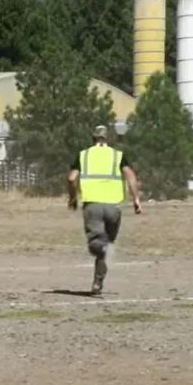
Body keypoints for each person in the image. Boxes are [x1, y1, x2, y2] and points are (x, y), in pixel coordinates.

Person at [66, 125, 142, 295]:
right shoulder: (118, 155)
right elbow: (130, 176)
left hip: (92, 205)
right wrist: (136, 198)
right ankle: (97, 283)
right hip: (114, 206)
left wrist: (72, 197)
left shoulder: (83, 155)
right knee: (108, 244)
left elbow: (71, 178)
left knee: (97, 243)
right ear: (108, 138)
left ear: (93, 138)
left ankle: (99, 250)